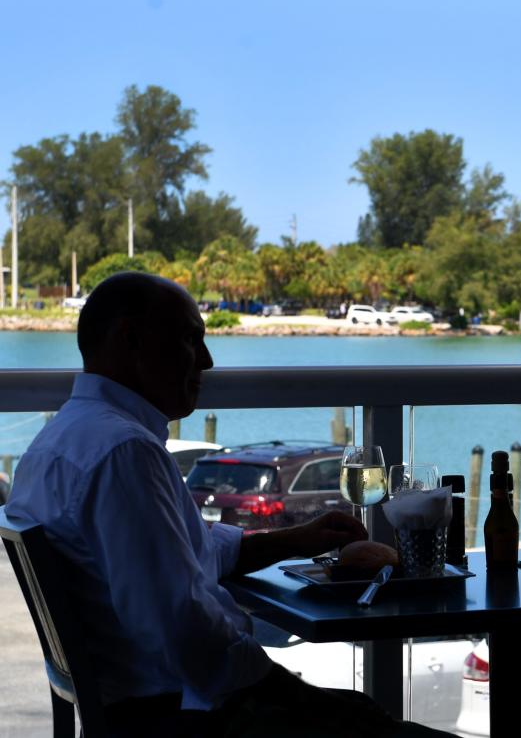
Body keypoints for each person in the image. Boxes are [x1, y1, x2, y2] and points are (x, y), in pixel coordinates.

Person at [6, 271, 450, 738]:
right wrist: (299, 695)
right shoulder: (124, 453)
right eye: (190, 340)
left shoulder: (58, 442)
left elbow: (180, 555)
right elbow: (187, 635)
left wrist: (295, 539)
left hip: (143, 706)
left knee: (361, 710)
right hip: (186, 718)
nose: (207, 360)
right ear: (131, 339)